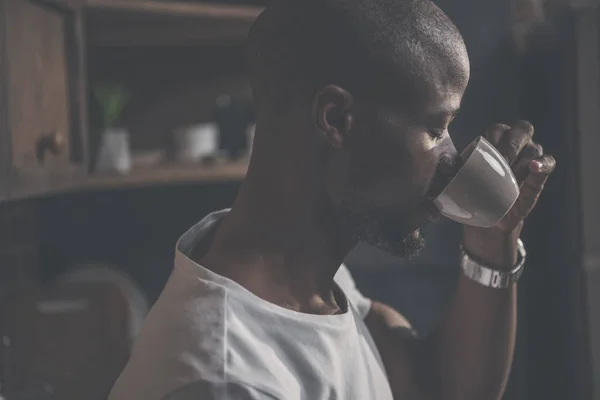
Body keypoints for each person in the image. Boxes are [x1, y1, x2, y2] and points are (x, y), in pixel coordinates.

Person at [108, 0, 556, 399]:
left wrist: (492, 240)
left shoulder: (308, 277)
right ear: (336, 119)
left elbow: (436, 384)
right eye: (437, 128)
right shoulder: (225, 380)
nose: (452, 158)